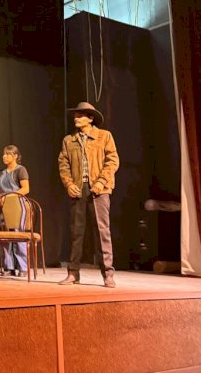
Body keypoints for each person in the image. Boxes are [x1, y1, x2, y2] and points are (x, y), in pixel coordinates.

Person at [57, 101, 119, 288]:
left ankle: (107, 274)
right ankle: (73, 273)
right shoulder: (69, 140)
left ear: (90, 118)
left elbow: (112, 161)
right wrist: (69, 184)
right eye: (75, 115)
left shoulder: (104, 136)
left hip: (99, 189)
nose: (76, 118)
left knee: (102, 232)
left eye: (80, 115)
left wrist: (101, 182)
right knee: (76, 232)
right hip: (78, 189)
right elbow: (63, 165)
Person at [0, 145, 30, 277]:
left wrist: (9, 197)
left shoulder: (21, 170)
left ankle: (23, 267)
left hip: (16, 205)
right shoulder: (1, 173)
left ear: (15, 156)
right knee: (5, 236)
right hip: (3, 207)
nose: (4, 156)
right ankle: (9, 267)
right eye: (4, 154)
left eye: (8, 154)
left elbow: (25, 189)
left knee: (18, 234)